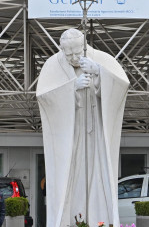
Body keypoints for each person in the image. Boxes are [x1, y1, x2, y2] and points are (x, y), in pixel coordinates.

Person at [36, 28, 130, 227]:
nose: (73, 58)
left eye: (77, 53)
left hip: (97, 132)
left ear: (84, 46)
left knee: (98, 174)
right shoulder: (52, 64)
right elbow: (44, 97)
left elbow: (122, 86)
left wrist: (99, 73)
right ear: (61, 49)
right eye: (67, 53)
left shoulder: (103, 60)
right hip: (70, 134)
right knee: (71, 176)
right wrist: (72, 87)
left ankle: (99, 220)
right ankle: (71, 220)